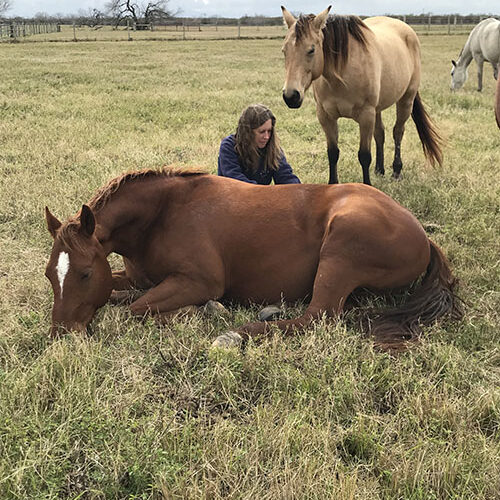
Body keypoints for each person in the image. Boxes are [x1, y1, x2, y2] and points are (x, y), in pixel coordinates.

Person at [218, 104, 301, 185]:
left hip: (261, 196)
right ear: (248, 132)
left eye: (269, 131)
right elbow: (235, 180)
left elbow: (285, 176)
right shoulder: (228, 147)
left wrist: (297, 190)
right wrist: (263, 193)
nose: (267, 137)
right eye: (262, 132)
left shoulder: (273, 149)